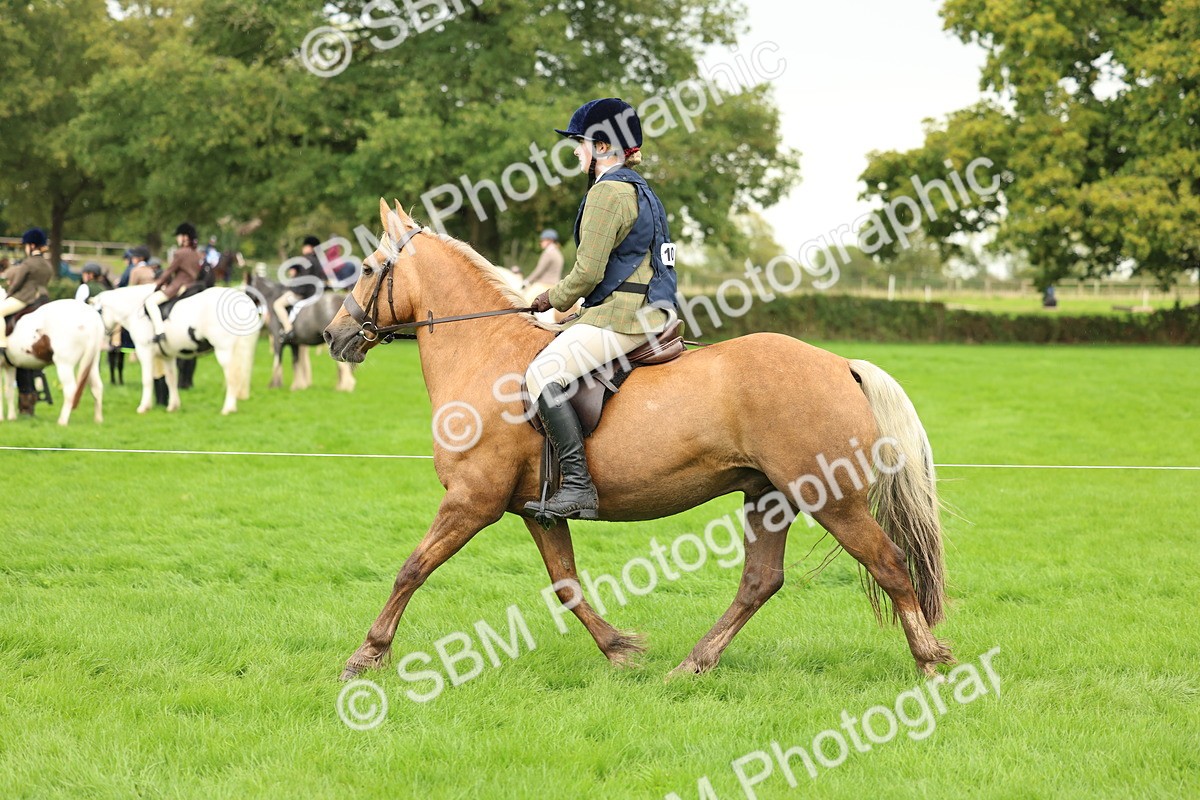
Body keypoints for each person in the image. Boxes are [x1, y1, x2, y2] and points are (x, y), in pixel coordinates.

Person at [522, 98, 678, 522]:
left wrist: (550, 298)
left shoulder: (608, 192)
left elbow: (587, 272)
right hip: (645, 308)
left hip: (625, 316)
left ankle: (577, 486)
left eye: (581, 142)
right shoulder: (640, 189)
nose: (576, 151)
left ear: (604, 146)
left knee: (541, 374)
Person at [0, 228, 55, 363]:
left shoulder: (27, 263)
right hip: (42, 297)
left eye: (25, 245)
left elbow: (17, 283)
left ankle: (1, 343)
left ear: (31, 245)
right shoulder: (48, 265)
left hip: (24, 298)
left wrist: (9, 294)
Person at [145, 223, 202, 348]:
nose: (177, 239)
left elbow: (169, 271)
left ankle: (160, 331)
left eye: (178, 236)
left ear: (185, 237)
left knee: (150, 302)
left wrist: (157, 284)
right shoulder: (197, 253)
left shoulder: (180, 253)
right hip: (192, 286)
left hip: (178, 286)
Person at [273, 235, 327, 343]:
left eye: (305, 246)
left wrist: (293, 289)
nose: (303, 248)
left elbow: (303, 280)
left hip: (301, 294)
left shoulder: (304, 260)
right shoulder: (319, 261)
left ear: (310, 247)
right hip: (315, 294)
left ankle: (288, 329)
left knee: (277, 304)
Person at [523, 229, 564, 298]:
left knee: (525, 299)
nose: (541, 242)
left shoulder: (548, 253)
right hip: (555, 285)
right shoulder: (558, 253)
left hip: (544, 285)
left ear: (550, 241)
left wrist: (527, 281)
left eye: (542, 240)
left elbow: (539, 271)